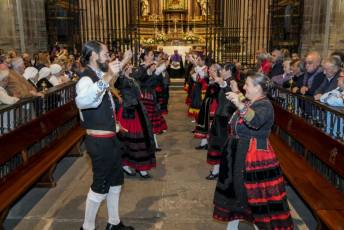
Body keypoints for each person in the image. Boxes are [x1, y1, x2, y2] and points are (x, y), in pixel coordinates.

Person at [213, 72, 293, 229]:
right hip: (239, 152)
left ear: (258, 88)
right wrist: (237, 93)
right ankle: (232, 226)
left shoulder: (265, 105)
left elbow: (255, 121)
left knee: (254, 197)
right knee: (236, 192)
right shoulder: (252, 101)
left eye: (247, 85)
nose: (244, 87)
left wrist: (239, 103)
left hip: (253, 156)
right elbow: (245, 104)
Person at [75, 40, 134, 230]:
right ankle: (87, 227)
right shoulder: (85, 78)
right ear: (94, 55)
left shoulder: (98, 75)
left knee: (116, 182)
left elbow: (106, 88)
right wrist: (109, 74)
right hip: (99, 142)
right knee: (100, 186)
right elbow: (85, 101)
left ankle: (114, 223)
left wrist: (114, 125)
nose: (108, 57)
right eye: (105, 54)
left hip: (110, 138)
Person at [115, 62, 156, 179]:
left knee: (140, 137)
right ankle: (125, 164)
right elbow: (119, 82)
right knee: (130, 139)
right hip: (129, 112)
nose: (132, 67)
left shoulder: (131, 78)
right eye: (129, 66)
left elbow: (142, 74)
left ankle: (140, 166)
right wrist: (121, 70)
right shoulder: (122, 79)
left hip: (137, 110)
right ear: (125, 68)